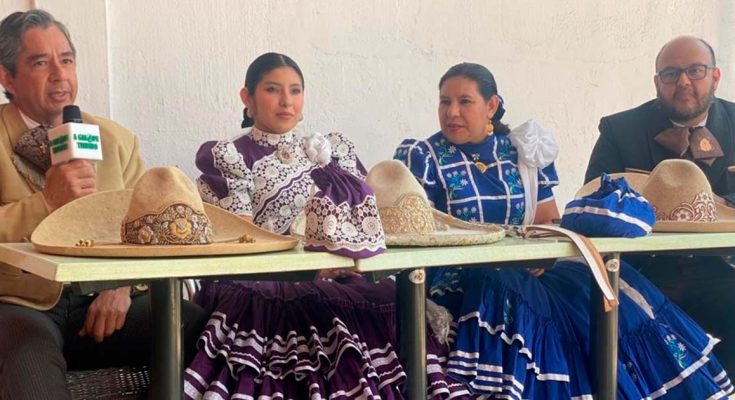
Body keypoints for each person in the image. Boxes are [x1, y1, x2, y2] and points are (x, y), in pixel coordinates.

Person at [395, 62, 732, 399]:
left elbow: (547, 222)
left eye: (464, 101)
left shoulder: (523, 152)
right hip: (463, 276)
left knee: (601, 285)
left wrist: (537, 256)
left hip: (527, 269)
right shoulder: (424, 156)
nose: (452, 111)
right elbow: (423, 229)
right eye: (444, 102)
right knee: (504, 285)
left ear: (492, 106)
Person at [188, 52, 466, 399]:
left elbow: (363, 221)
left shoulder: (332, 151)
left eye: (295, 90)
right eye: (273, 89)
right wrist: (309, 266)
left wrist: (342, 260)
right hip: (264, 274)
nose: (286, 101)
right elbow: (240, 239)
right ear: (248, 98)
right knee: (301, 307)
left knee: (388, 295)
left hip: (340, 271)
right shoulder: (231, 157)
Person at [0, 10, 207, 400]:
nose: (59, 74)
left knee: (203, 330)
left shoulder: (115, 140)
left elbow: (151, 230)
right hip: (20, 305)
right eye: (40, 63)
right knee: (28, 369)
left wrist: (125, 285)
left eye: (67, 60)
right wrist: (45, 202)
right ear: (6, 77)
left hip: (102, 304)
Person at [585, 35, 735, 375]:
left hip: (722, 269)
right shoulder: (619, 130)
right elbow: (594, 200)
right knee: (605, 328)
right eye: (670, 73)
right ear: (657, 83)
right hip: (644, 273)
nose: (683, 81)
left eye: (695, 70)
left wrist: (721, 203)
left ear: (715, 76)